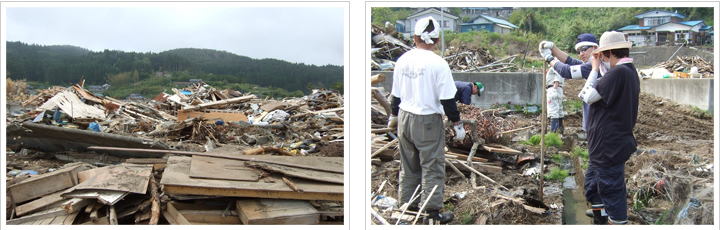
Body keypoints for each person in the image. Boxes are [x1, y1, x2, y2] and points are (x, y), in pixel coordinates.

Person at [386, 15, 461, 225]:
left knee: (409, 165)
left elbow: (395, 96)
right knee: (432, 166)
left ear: (415, 37)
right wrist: (457, 124)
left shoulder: (403, 60)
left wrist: (393, 116)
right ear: (436, 41)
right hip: (427, 120)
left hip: (404, 118)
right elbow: (447, 99)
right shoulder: (439, 63)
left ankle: (407, 209)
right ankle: (431, 213)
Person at [577, 31, 639, 225]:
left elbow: (586, 96)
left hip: (608, 148)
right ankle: (600, 220)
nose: (600, 59)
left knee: (612, 192)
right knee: (593, 187)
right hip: (604, 148)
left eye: (601, 55)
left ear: (609, 53)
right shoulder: (626, 71)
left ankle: (615, 221)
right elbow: (605, 86)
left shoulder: (619, 72)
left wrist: (594, 69)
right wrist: (600, 67)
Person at [539, 33, 599, 132]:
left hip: (597, 123)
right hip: (595, 122)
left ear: (595, 48)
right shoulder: (593, 63)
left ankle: (554, 131)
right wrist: (553, 48)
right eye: (579, 51)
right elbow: (570, 61)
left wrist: (549, 58)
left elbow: (565, 71)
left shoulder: (593, 65)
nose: (581, 54)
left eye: (584, 49)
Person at [546, 69, 565, 134]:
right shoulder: (560, 65)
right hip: (559, 89)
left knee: (553, 111)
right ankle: (560, 131)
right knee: (559, 111)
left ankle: (554, 133)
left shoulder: (555, 64)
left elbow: (557, 75)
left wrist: (554, 89)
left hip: (553, 88)